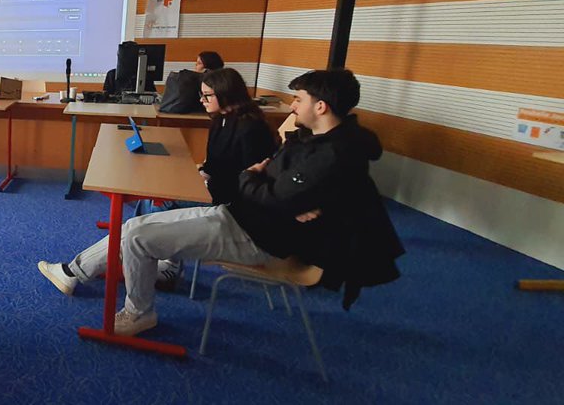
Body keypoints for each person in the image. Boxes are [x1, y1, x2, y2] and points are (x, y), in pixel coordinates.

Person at [53, 69, 403, 337]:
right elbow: (275, 187)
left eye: (298, 99)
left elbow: (265, 186)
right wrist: (268, 185)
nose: (292, 106)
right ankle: (87, 275)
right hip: (243, 217)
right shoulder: (315, 142)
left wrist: (255, 180)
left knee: (138, 235)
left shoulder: (329, 156)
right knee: (133, 227)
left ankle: (138, 312)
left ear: (321, 106)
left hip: (256, 235)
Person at [40, 68, 278, 293]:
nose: (202, 101)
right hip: (214, 192)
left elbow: (247, 181)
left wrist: (201, 184)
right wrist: (201, 173)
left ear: (226, 94)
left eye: (207, 96)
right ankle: (148, 263)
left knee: (155, 206)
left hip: (229, 207)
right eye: (201, 95)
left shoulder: (251, 130)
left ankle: (136, 266)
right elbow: (217, 164)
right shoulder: (222, 119)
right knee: (149, 207)